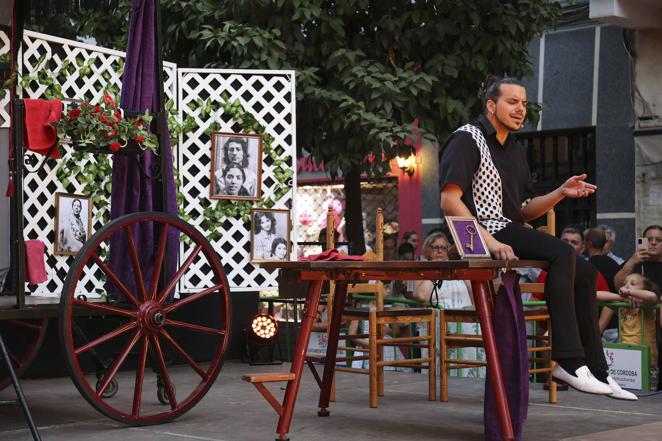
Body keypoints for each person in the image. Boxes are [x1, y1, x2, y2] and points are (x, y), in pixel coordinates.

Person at [438, 76, 625, 398]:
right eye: (512, 102)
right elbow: (449, 200)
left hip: (509, 226)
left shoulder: (515, 149)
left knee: (587, 272)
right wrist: (490, 243)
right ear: (491, 105)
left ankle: (597, 369)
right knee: (563, 253)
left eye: (524, 103)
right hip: (483, 229)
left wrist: (560, 193)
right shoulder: (467, 138)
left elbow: (523, 211)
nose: (520, 109)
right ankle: (567, 360)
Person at [411, 232, 483, 378]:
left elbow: (473, 295)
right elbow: (421, 295)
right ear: (427, 250)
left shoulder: (457, 268)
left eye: (444, 248)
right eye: (435, 247)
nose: (440, 251)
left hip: (465, 322)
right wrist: (437, 271)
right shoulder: (424, 269)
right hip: (440, 323)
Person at [597, 273, 660, 395]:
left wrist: (629, 293)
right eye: (625, 283)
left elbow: (652, 296)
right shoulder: (623, 306)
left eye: (633, 284)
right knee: (624, 394)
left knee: (646, 395)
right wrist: (622, 297)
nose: (626, 286)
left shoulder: (646, 306)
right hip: (624, 360)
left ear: (644, 289)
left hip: (647, 362)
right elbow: (596, 295)